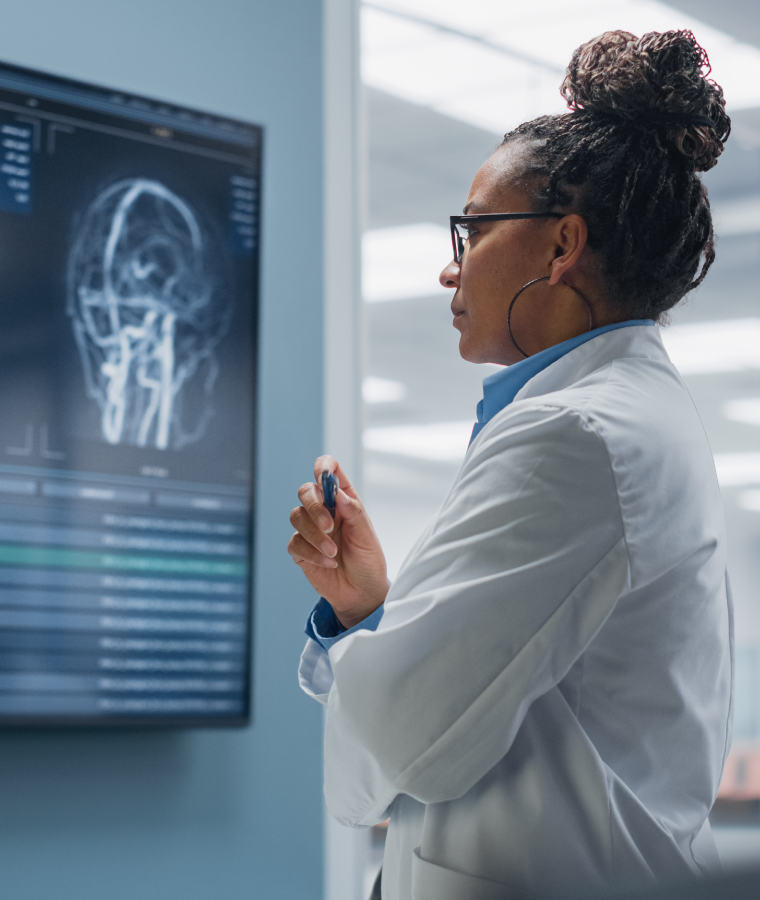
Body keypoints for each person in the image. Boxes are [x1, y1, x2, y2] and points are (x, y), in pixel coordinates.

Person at [289, 30, 733, 900]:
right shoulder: (623, 414)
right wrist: (370, 612)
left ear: (561, 246)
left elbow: (397, 743)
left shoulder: (577, 435)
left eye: (472, 230)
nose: (448, 269)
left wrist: (375, 662)